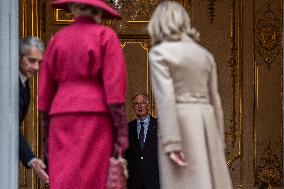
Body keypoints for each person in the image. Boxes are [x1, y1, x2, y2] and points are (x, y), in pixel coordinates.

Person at [38, 0, 128, 189]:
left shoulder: (58, 39)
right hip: (95, 116)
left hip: (61, 115)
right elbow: (115, 89)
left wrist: (46, 131)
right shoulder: (106, 35)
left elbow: (45, 92)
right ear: (99, 12)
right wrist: (121, 134)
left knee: (64, 178)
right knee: (93, 177)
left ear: (73, 9)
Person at [147, 1, 233, 189]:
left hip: (180, 122)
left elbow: (166, 98)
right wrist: (219, 139)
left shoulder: (160, 54)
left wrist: (171, 142)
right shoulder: (204, 55)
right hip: (207, 121)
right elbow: (215, 98)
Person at [19, 36, 49, 183]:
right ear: (18, 57)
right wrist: (30, 158)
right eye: (31, 60)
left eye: (39, 62)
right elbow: (7, 125)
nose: (36, 67)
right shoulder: (9, 80)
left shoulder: (23, 82)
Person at [125, 93, 160, 189]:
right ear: (133, 107)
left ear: (148, 106)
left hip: (154, 180)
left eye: (143, 103)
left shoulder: (159, 125)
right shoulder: (128, 127)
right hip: (134, 181)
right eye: (136, 104)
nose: (139, 106)